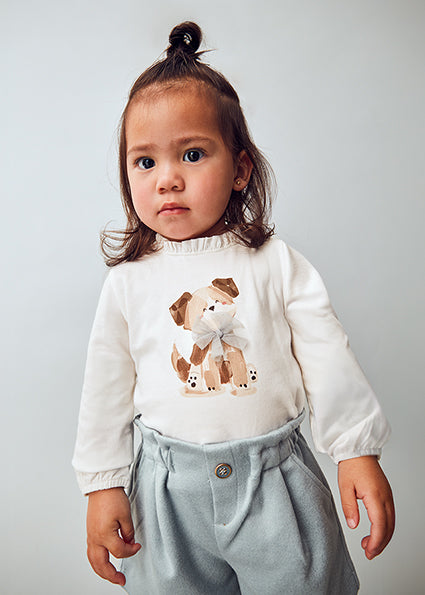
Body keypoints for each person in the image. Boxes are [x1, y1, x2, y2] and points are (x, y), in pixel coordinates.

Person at [73, 21, 395, 594]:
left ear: (241, 169)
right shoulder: (128, 283)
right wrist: (103, 484)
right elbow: (105, 389)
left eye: (192, 154)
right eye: (144, 162)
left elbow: (326, 354)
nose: (167, 179)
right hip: (166, 497)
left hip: (276, 484)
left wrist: (355, 452)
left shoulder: (276, 263)